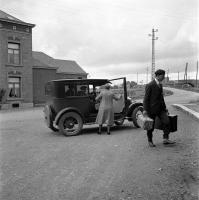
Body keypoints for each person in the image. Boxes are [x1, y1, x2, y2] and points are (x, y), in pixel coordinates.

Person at [143, 69, 175, 147]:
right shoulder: (150, 85)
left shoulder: (160, 85)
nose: (164, 77)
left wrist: (165, 108)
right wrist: (145, 110)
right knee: (151, 126)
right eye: (163, 76)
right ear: (158, 76)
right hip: (151, 110)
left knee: (167, 122)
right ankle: (150, 141)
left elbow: (161, 98)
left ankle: (165, 139)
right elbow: (146, 99)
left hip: (161, 109)